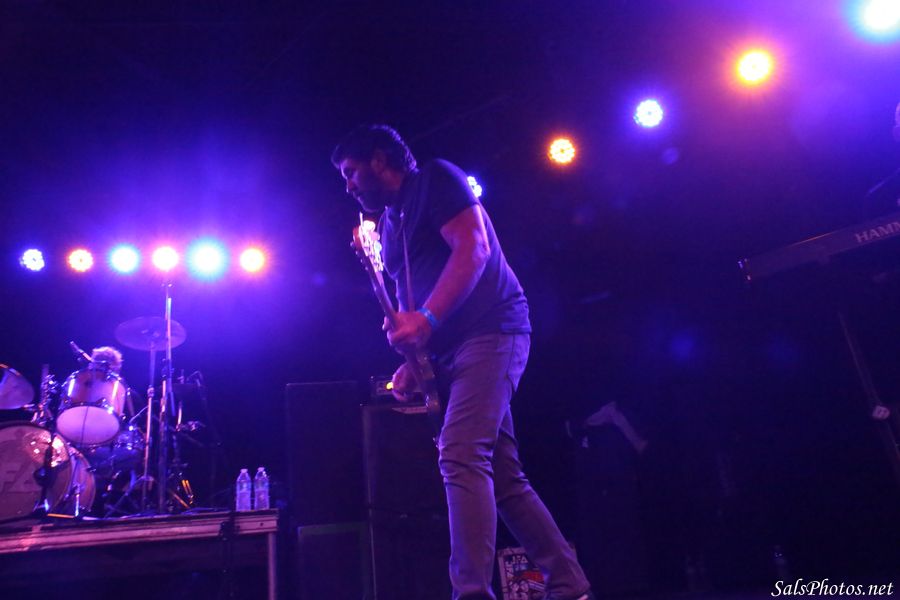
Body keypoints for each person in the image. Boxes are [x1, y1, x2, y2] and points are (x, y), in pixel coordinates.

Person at [333, 124, 594, 600]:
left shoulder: (436, 179)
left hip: (491, 330)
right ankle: (569, 585)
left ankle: (471, 594)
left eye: (351, 171)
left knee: (459, 452)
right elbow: (410, 300)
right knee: (504, 478)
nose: (347, 185)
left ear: (379, 160)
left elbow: (474, 247)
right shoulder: (390, 224)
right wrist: (415, 361)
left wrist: (427, 320)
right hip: (449, 351)